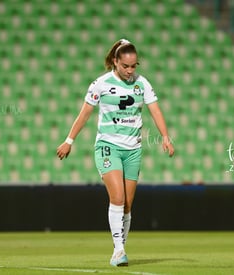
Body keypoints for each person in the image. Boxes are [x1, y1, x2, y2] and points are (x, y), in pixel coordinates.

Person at [56, 38, 174, 267]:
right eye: (125, 66)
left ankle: (119, 249)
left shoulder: (142, 84)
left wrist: (166, 137)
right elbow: (85, 114)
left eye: (133, 66)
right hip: (108, 146)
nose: (130, 71)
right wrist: (69, 140)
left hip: (133, 150)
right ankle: (119, 252)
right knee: (117, 198)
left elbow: (156, 111)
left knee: (128, 204)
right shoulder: (100, 84)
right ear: (115, 62)